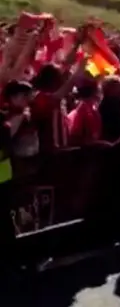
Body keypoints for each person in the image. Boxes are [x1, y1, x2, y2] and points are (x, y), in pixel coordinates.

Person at [0, 80, 35, 276]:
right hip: (5, 177)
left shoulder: (13, 118)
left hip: (6, 178)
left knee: (7, 222)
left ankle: (12, 260)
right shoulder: (8, 118)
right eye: (23, 96)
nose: (27, 100)